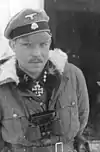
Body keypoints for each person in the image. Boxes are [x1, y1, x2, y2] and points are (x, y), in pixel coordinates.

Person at [0, 8, 89, 152]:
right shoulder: (3, 85)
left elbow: (82, 118)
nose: (36, 53)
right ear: (13, 45)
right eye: (27, 45)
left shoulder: (72, 76)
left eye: (43, 44)